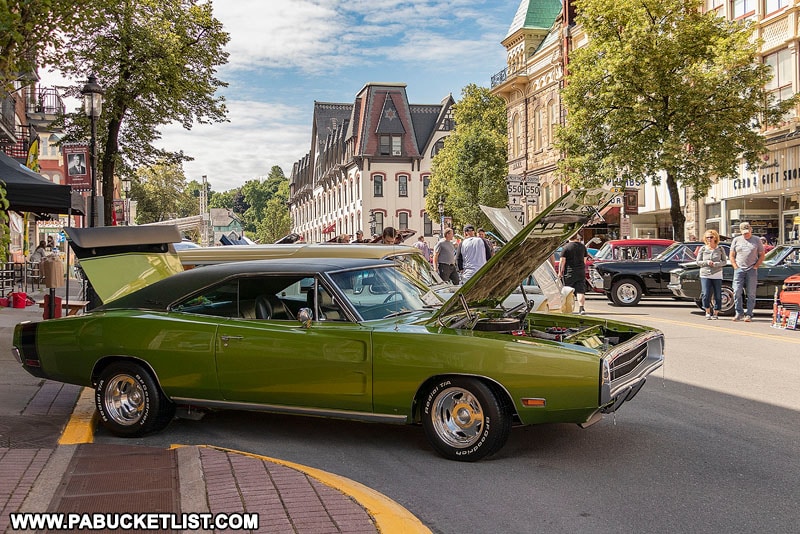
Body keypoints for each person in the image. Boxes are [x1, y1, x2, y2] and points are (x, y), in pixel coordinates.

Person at [730, 222, 765, 322]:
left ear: (751, 230)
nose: (746, 234)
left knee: (751, 293)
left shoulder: (756, 240)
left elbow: (762, 254)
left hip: (751, 269)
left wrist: (756, 266)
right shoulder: (736, 240)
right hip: (739, 269)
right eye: (744, 233)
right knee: (736, 291)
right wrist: (735, 266)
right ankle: (739, 312)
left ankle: (749, 314)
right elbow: (732, 255)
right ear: (740, 231)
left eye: (748, 232)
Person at [696, 229, 727, 320]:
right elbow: (698, 262)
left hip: (717, 273)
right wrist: (706, 262)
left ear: (715, 238)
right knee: (705, 293)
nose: (709, 239)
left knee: (717, 294)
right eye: (707, 237)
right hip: (705, 273)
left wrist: (716, 264)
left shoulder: (720, 249)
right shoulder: (703, 249)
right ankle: (707, 311)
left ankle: (716, 312)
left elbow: (724, 262)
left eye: (711, 237)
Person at [558, 233, 589, 315]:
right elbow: (584, 260)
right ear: (576, 238)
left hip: (569, 272)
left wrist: (560, 272)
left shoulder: (566, 247)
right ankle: (581, 308)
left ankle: (567, 309)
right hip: (580, 272)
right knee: (580, 291)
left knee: (567, 291)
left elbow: (562, 261)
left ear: (568, 238)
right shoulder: (583, 247)